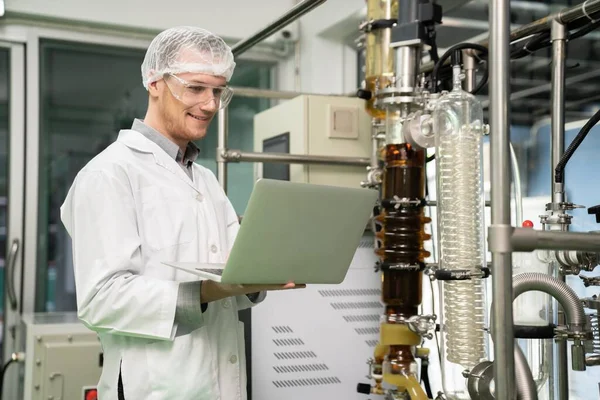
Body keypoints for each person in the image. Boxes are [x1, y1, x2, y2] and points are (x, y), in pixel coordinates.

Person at [60, 26, 303, 400]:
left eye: (218, 91)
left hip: (221, 381)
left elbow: (233, 281)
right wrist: (207, 291)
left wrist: (262, 275)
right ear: (154, 83)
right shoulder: (108, 174)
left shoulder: (204, 179)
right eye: (196, 88)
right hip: (154, 385)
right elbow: (101, 301)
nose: (209, 104)